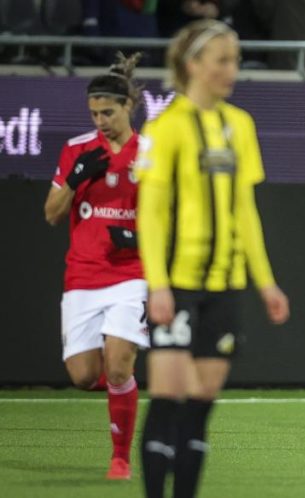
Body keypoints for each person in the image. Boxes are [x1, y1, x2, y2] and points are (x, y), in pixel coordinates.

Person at [135, 19, 290, 498]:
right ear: (192, 65)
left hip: (225, 287)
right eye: (222, 60)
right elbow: (151, 215)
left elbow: (245, 211)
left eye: (235, 60)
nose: (232, 70)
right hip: (177, 286)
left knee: (200, 407)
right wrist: (157, 285)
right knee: (167, 400)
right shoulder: (165, 129)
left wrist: (265, 283)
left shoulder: (239, 125)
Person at [43, 52, 147, 480]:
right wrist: (75, 178)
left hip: (132, 274)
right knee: (84, 375)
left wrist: (141, 236)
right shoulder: (76, 151)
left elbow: (171, 214)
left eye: (108, 111)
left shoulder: (151, 154)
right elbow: (51, 213)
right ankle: (124, 393)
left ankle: (120, 458)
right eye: (94, 113)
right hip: (83, 274)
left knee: (119, 363)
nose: (101, 120)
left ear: (128, 106)